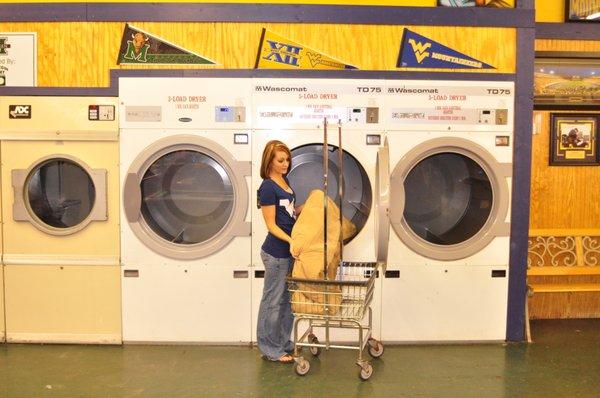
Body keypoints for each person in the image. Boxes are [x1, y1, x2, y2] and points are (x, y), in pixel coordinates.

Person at [256, 140, 301, 364]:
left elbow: (289, 214)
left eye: (287, 160)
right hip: (275, 253)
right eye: (280, 160)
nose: (285, 164)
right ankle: (269, 348)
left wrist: (312, 203)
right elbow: (272, 225)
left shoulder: (285, 181)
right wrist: (291, 240)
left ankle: (282, 342)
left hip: (289, 252)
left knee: (287, 302)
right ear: (270, 161)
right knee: (272, 302)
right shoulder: (267, 187)